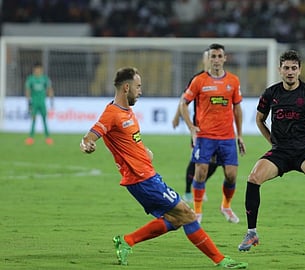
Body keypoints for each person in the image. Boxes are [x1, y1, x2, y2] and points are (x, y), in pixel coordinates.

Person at [79, 67, 247, 269]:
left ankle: (127, 241)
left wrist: (144, 151)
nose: (140, 91)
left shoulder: (128, 112)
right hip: (141, 180)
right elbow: (91, 135)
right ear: (126, 87)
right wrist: (87, 144)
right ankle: (220, 260)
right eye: (138, 86)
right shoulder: (112, 113)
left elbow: (131, 140)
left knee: (174, 219)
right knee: (188, 215)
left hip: (148, 175)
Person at [237, 50, 305, 254]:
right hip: (280, 151)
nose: (290, 72)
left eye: (294, 68)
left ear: (300, 70)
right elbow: (259, 120)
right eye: (286, 68)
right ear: (280, 70)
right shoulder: (270, 94)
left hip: (304, 150)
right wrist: (272, 141)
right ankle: (251, 233)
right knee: (253, 177)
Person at [180, 43, 246, 224]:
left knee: (231, 175)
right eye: (213, 56)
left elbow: (237, 108)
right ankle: (198, 211)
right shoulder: (199, 80)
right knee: (200, 173)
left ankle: (226, 206)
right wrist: (191, 127)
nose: (216, 60)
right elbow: (183, 103)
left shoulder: (233, 81)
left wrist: (239, 135)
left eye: (219, 56)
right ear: (208, 59)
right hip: (205, 136)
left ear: (225, 58)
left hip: (227, 137)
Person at [172, 49, 218, 203]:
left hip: (218, 129)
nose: (212, 60)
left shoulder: (220, 79)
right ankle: (187, 192)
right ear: (205, 60)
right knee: (198, 161)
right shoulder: (197, 78)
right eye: (209, 57)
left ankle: (200, 184)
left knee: (215, 161)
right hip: (200, 127)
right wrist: (177, 115)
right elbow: (184, 98)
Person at [24, 62, 54, 145]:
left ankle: (48, 137)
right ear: (34, 70)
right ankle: (30, 138)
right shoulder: (31, 79)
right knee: (33, 119)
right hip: (34, 102)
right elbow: (27, 90)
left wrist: (51, 99)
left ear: (41, 70)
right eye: (36, 69)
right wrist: (29, 102)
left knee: (44, 120)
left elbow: (49, 89)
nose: (37, 71)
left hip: (42, 103)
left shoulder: (45, 78)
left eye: (39, 69)